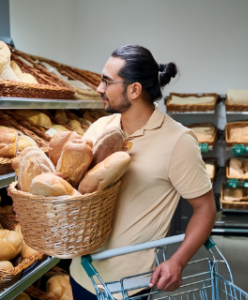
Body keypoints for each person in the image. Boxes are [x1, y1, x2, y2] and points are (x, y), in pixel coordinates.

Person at [69, 45, 216, 300]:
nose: (99, 89)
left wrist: (178, 261)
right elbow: (72, 189)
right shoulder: (99, 128)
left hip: (128, 286)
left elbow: (206, 209)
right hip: (82, 273)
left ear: (134, 90)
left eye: (106, 81)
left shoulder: (178, 141)